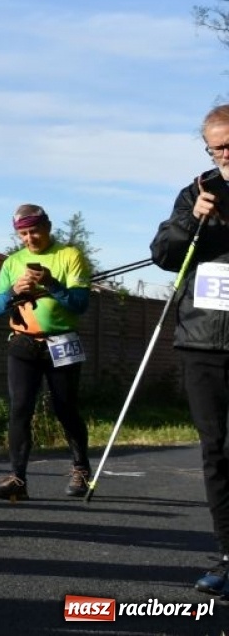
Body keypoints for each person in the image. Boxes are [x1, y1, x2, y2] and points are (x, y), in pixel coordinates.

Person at [151, 105, 229, 596]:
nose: (225, 155)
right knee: (216, 452)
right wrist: (190, 223)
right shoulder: (196, 189)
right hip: (203, 341)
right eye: (217, 146)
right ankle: (227, 554)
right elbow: (162, 253)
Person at [0, 203, 92, 502]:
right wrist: (13, 293)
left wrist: (50, 282)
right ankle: (17, 478)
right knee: (20, 408)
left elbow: (80, 304)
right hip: (23, 342)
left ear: (47, 227)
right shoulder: (12, 262)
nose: (30, 238)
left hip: (62, 340)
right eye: (23, 233)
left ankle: (80, 469)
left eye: (34, 231)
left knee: (65, 407)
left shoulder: (69, 255)